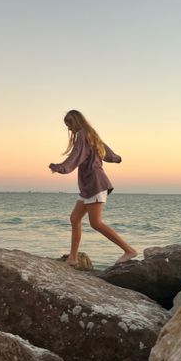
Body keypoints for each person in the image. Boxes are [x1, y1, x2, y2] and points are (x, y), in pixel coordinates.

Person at [49, 109, 137, 265]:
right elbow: (107, 153)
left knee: (96, 223)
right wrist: (117, 159)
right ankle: (73, 258)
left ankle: (128, 250)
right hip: (88, 186)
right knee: (75, 218)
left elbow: (75, 156)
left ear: (75, 122)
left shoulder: (83, 135)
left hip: (95, 183)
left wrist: (61, 167)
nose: (69, 129)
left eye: (69, 124)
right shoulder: (91, 135)